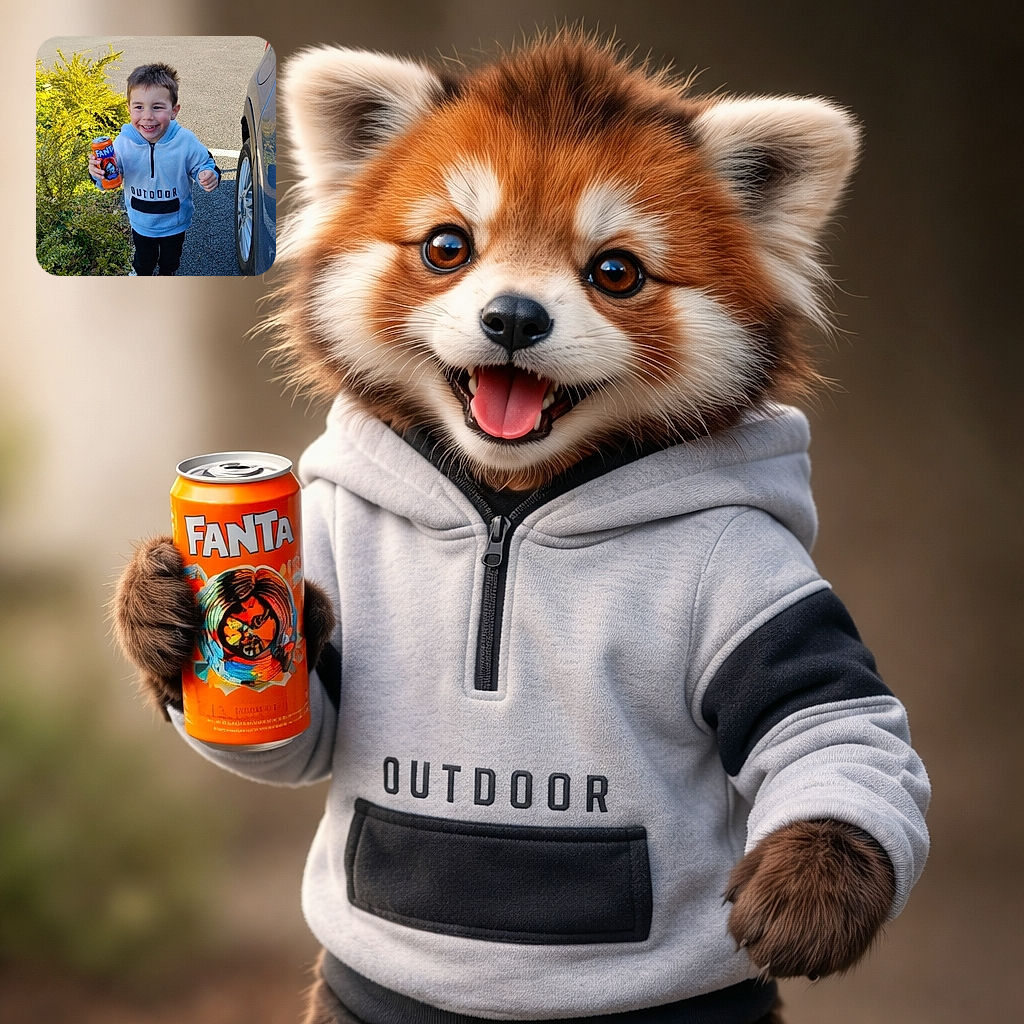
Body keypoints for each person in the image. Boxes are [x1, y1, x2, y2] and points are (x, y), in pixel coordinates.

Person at [88, 62, 219, 276]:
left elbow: (205, 163)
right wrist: (97, 174)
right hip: (141, 222)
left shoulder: (185, 141)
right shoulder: (122, 143)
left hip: (175, 221)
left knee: (171, 261)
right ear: (129, 108)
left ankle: (167, 275)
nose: (147, 116)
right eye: (139, 107)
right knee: (143, 261)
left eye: (157, 107)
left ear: (174, 110)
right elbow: (109, 177)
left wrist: (208, 174)